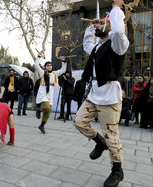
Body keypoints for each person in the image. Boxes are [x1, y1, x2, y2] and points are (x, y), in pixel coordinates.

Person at [73, 1, 129, 186]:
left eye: (101, 23)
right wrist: (92, 27)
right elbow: (87, 43)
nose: (97, 25)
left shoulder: (117, 44)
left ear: (111, 25)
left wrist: (115, 8)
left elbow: (119, 31)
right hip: (95, 94)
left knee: (111, 136)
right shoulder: (98, 47)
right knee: (79, 121)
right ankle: (99, 142)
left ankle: (117, 171)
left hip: (110, 97)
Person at [35, 53, 66, 134]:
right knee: (47, 108)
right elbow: (36, 65)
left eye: (50, 65)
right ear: (45, 67)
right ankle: (38, 109)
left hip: (51, 91)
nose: (49, 67)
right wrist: (39, 57)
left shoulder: (55, 73)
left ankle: (42, 125)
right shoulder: (42, 72)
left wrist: (63, 61)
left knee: (48, 112)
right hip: (43, 91)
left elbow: (63, 70)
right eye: (47, 65)